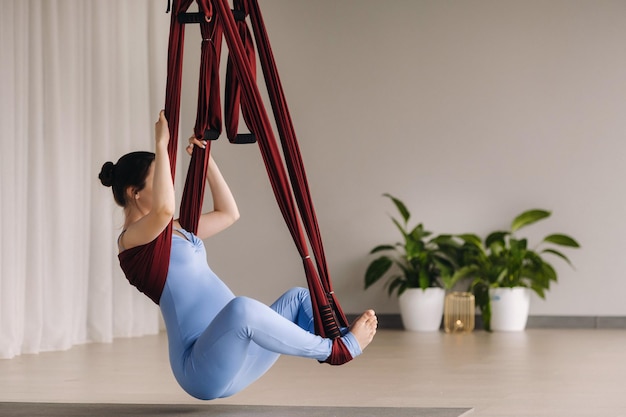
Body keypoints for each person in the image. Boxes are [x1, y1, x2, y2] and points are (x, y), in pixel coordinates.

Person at [98, 110, 377, 400]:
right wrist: (161, 144)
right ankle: (336, 351)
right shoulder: (131, 242)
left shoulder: (176, 229)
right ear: (135, 193)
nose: (169, 184)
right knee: (242, 308)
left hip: (239, 354)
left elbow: (228, 213)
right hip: (199, 367)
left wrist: (206, 162)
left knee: (298, 297)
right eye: (160, 179)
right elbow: (164, 210)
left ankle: (338, 336)